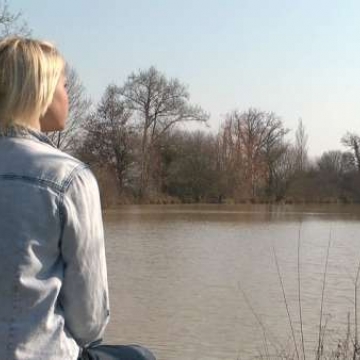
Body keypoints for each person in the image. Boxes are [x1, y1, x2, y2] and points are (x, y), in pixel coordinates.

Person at [0, 37, 155, 360]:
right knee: (140, 357)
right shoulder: (66, 177)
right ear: (41, 92)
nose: (68, 96)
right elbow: (89, 322)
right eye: (65, 86)